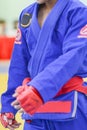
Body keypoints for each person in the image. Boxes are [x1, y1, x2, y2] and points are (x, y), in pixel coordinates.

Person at [0, 0, 87, 129]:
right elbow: (19, 63)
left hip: (67, 105)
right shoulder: (27, 15)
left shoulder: (78, 12)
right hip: (33, 110)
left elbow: (73, 57)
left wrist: (39, 89)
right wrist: (9, 105)